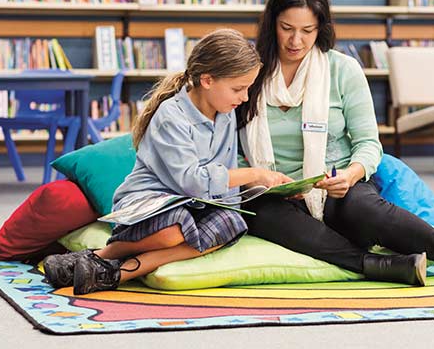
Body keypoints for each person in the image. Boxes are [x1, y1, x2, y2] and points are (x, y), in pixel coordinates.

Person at [236, 0, 434, 286]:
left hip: (334, 184)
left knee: (366, 209)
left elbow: (368, 144)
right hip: (270, 193)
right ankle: (373, 264)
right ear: (272, 24)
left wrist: (350, 174)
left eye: (307, 30)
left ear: (321, 28)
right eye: (287, 28)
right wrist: (262, 179)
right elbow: (233, 150)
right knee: (261, 216)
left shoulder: (342, 70)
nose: (296, 41)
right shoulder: (248, 71)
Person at [43, 29, 291, 295]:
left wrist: (251, 197)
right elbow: (192, 181)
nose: (244, 98)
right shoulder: (172, 115)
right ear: (207, 80)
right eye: (238, 89)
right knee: (175, 230)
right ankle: (104, 255)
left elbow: (222, 183)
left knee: (232, 223)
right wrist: (253, 175)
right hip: (149, 205)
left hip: (192, 206)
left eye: (247, 89)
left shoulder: (225, 114)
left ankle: (111, 273)